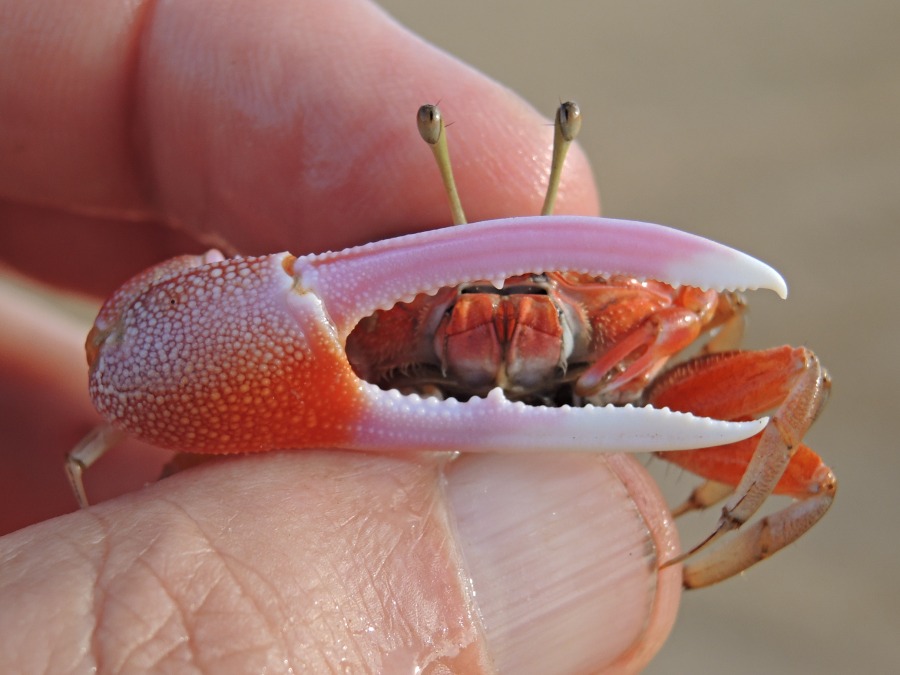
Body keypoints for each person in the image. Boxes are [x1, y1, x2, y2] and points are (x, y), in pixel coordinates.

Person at [0, 0, 682, 671]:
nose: (497, 320)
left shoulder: (624, 313)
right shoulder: (352, 327)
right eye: (451, 301)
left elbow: (700, 314)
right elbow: (122, 354)